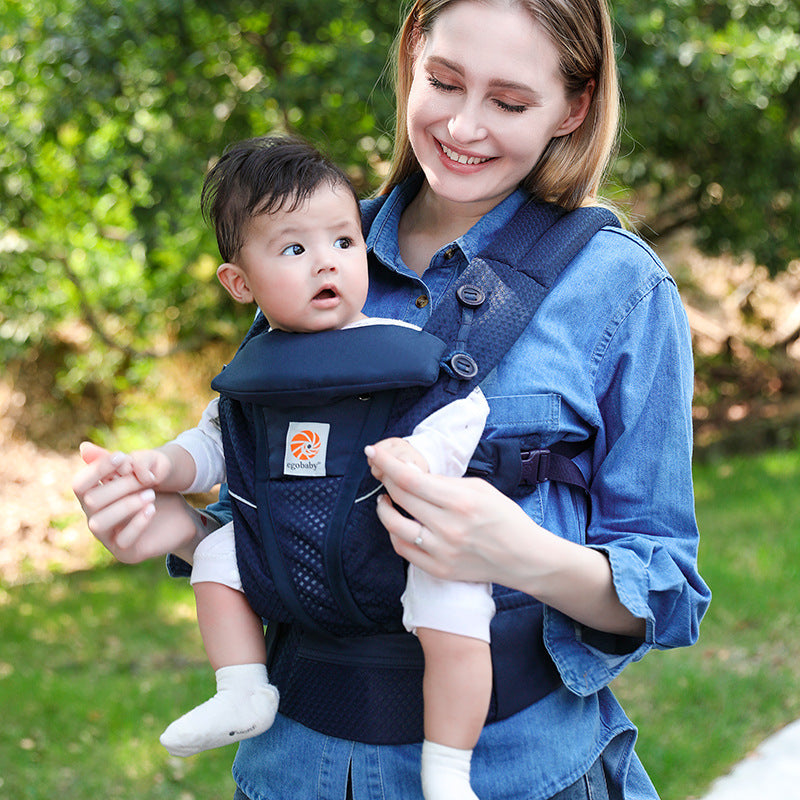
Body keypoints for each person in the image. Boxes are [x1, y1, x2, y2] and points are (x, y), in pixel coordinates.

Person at [73, 1, 712, 798]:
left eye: (510, 103)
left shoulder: (619, 287)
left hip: (520, 773)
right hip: (297, 772)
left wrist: (522, 556)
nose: (465, 127)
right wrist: (169, 527)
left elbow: (668, 593)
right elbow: (284, 512)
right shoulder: (302, 248)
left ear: (574, 108)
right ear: (412, 53)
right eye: (444, 81)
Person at [104, 135, 493, 799]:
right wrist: (156, 467)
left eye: (344, 243)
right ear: (239, 282)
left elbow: (465, 408)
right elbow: (211, 447)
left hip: (397, 545)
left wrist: (421, 455)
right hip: (288, 560)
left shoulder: (399, 348)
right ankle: (243, 689)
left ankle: (448, 768)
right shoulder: (255, 376)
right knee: (220, 551)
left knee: (458, 602)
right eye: (294, 248)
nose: (326, 265)